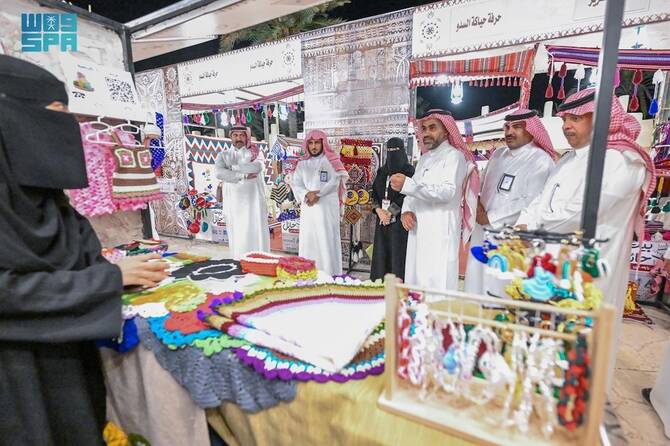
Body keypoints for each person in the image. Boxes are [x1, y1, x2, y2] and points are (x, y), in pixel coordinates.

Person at [0, 55, 169, 445]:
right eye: (56, 114)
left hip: (69, 367)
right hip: (15, 380)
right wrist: (109, 279)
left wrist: (119, 272)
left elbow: (83, 258)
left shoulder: (49, 200)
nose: (69, 130)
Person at [516, 87, 655, 390]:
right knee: (550, 341)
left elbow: (581, 214)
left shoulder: (623, 160)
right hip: (551, 264)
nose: (566, 125)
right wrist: (525, 220)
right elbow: (540, 200)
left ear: (602, 118)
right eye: (564, 119)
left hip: (591, 273)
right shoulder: (568, 161)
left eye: (576, 118)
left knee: (584, 349)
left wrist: (532, 225)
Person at [464, 109, 557, 294]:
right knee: (476, 281)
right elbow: (482, 186)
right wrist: (477, 203)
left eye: (517, 127)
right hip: (482, 231)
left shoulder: (541, 160)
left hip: (510, 235)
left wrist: (490, 217)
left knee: (500, 285)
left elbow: (531, 202)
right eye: (507, 127)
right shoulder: (498, 154)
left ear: (531, 130)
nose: (509, 132)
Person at [391, 109, 479, 291]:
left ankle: (437, 311)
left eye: (432, 128)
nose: (426, 133)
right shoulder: (424, 159)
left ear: (446, 131)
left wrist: (407, 185)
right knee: (416, 278)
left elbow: (447, 192)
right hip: (418, 227)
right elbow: (413, 190)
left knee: (437, 281)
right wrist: (406, 210)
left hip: (440, 229)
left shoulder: (454, 157)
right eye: (423, 129)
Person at [290, 129, 348, 275]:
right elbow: (296, 182)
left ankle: (329, 273)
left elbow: (335, 181)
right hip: (309, 209)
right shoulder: (302, 163)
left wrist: (318, 194)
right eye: (311, 143)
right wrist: (306, 194)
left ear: (323, 143)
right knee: (309, 240)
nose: (314, 146)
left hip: (326, 209)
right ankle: (308, 272)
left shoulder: (332, 161)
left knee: (326, 240)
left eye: (317, 143)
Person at [215, 125, 270, 260]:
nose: (238, 138)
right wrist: (242, 175)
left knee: (255, 230)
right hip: (234, 203)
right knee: (237, 232)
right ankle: (239, 260)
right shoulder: (224, 155)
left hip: (253, 202)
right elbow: (219, 173)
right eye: (235, 135)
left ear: (247, 137)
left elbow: (257, 167)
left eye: (241, 135)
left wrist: (232, 168)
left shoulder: (255, 153)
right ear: (231, 137)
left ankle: (259, 260)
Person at [370, 137, 415, 281]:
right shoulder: (382, 172)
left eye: (396, 150)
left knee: (397, 257)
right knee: (381, 256)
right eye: (389, 150)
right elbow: (374, 194)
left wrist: (391, 212)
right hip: (382, 222)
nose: (393, 154)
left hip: (399, 225)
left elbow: (408, 196)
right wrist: (379, 211)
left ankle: (397, 288)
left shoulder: (409, 172)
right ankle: (379, 286)